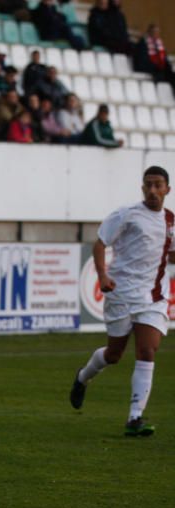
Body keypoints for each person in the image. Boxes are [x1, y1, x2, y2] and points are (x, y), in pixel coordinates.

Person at [70, 167, 175, 436]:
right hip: (120, 292)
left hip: (152, 297)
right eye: (148, 185)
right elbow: (100, 244)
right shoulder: (126, 214)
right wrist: (103, 275)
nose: (152, 190)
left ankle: (135, 418)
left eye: (158, 185)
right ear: (142, 188)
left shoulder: (171, 221)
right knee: (114, 354)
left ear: (167, 190)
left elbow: (170, 256)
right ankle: (83, 377)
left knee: (147, 351)